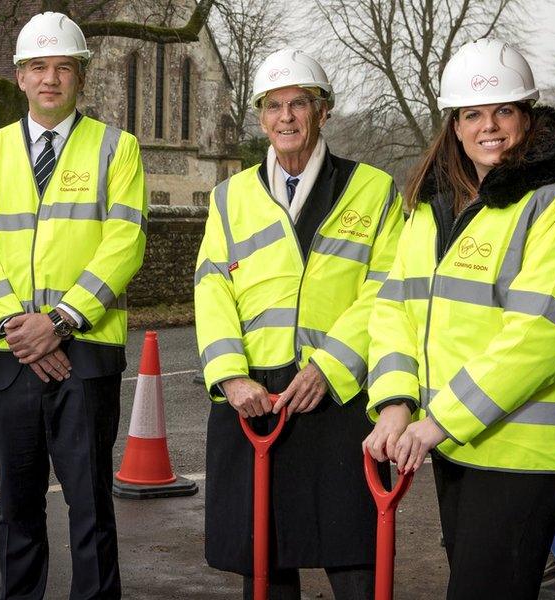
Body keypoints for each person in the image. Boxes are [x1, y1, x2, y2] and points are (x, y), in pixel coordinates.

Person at [364, 39, 555, 600]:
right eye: (473, 113)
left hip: (520, 450)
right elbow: (395, 306)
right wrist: (397, 401)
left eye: (504, 111)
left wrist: (437, 421)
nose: (489, 126)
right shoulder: (433, 205)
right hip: (456, 443)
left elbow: (538, 335)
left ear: (528, 117)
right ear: (454, 124)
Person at [0, 11, 147, 600]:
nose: (50, 79)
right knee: (16, 509)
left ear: (81, 76)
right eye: (38, 67)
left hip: (83, 355)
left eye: (63, 67)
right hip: (10, 357)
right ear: (19, 76)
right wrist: (18, 326)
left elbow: (126, 239)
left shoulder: (118, 149)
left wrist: (60, 322)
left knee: (90, 509)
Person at [195, 48, 404, 600]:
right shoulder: (229, 197)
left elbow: (386, 291)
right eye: (274, 106)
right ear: (261, 117)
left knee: (354, 556)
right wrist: (230, 377)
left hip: (338, 399)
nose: (286, 117)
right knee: (265, 567)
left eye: (299, 104)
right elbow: (212, 288)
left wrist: (331, 368)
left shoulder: (375, 190)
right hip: (254, 400)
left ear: (323, 111)